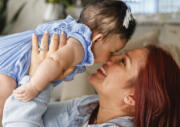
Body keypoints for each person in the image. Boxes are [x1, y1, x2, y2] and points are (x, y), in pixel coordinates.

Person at [2, 32, 179, 127]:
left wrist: (37, 77)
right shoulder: (90, 107)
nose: (110, 59)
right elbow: (23, 117)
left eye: (123, 62)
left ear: (132, 97)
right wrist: (45, 76)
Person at [0, 0, 136, 114]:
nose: (111, 58)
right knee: (6, 93)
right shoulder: (79, 46)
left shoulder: (74, 31)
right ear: (97, 39)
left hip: (12, 51)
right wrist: (34, 87)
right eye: (112, 51)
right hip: (14, 63)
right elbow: (55, 61)